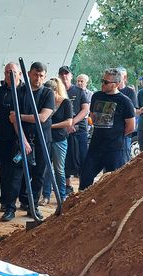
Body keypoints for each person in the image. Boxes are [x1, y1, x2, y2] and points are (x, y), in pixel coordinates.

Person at [0, 62, 34, 222]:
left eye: (14, 72)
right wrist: (3, 124)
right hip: (4, 138)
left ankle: (19, 204)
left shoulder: (27, 92)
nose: (10, 75)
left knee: (20, 174)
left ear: (20, 74)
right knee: (6, 172)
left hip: (22, 140)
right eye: (8, 72)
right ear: (4, 74)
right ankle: (6, 203)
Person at [79, 68, 135, 190]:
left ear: (116, 84)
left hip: (114, 149)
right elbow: (93, 117)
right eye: (102, 80)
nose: (102, 84)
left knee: (114, 185)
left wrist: (115, 135)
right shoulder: (96, 96)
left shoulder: (125, 101)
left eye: (105, 82)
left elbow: (131, 127)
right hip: (95, 147)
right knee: (85, 180)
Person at [15, 62, 55, 219]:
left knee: (39, 173)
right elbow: (13, 118)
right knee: (22, 173)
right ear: (29, 74)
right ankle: (24, 201)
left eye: (41, 76)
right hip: (23, 138)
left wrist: (21, 116)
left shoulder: (48, 93)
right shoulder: (20, 92)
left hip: (43, 139)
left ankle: (34, 205)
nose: (38, 78)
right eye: (35, 74)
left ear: (44, 76)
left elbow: (43, 118)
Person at [58, 65, 90, 196]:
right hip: (62, 131)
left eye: (67, 73)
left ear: (71, 75)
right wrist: (65, 125)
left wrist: (72, 122)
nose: (64, 76)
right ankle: (68, 186)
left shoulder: (79, 91)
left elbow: (85, 109)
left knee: (83, 158)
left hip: (79, 130)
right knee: (65, 160)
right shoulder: (56, 91)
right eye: (62, 74)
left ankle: (84, 188)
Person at [39, 77, 72, 205]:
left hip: (59, 139)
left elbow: (69, 122)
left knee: (59, 169)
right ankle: (46, 195)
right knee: (46, 168)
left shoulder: (65, 103)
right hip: (47, 138)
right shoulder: (46, 102)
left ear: (55, 91)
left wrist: (50, 126)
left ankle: (61, 195)